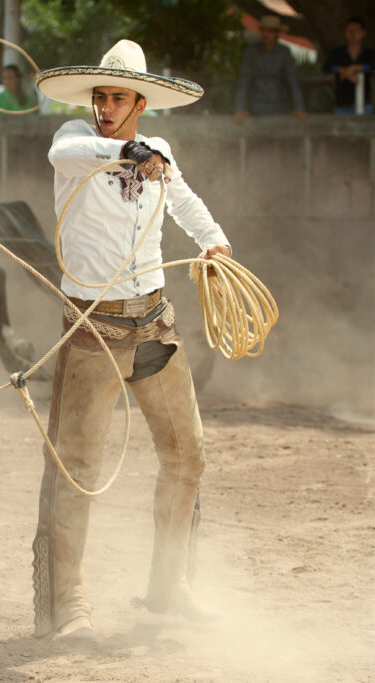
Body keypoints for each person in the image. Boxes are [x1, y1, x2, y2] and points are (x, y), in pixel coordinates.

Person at [32, 39, 230, 641]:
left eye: (117, 98)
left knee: (186, 453)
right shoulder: (74, 140)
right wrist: (129, 149)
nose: (105, 106)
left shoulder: (159, 153)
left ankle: (171, 586)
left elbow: (185, 201)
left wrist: (214, 241)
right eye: (101, 96)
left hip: (153, 321)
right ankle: (67, 604)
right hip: (93, 323)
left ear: (140, 101)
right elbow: (67, 151)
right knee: (77, 465)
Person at [234, 15, 307, 122]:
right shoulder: (251, 52)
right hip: (257, 106)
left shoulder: (284, 52)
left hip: (280, 105)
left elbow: (292, 80)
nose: (265, 34)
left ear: (277, 33)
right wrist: (240, 109)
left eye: (270, 31)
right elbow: (244, 81)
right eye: (263, 31)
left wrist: (299, 108)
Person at [322, 16, 374, 115]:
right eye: (349, 31)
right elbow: (326, 68)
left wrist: (356, 68)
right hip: (342, 106)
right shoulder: (337, 53)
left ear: (363, 33)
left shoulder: (369, 54)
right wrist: (342, 70)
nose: (352, 34)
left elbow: (372, 66)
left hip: (365, 106)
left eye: (356, 31)